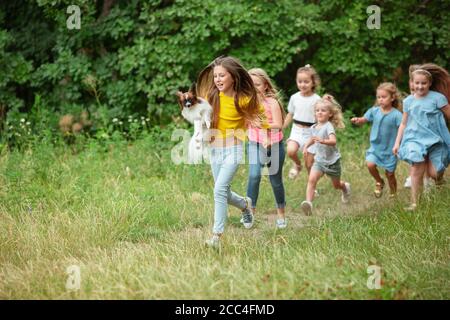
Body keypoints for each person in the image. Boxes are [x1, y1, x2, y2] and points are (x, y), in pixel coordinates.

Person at [196, 56, 267, 248]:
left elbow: (260, 115)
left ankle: (216, 236)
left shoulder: (242, 99)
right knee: (223, 192)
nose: (218, 79)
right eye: (215, 76)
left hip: (233, 150)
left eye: (222, 76)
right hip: (215, 150)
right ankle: (245, 205)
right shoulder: (212, 97)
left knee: (218, 190)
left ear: (233, 78)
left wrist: (264, 130)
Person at [393, 64, 450, 211]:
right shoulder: (408, 102)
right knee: (416, 168)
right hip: (415, 139)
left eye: (423, 83)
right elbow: (403, 124)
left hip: (436, 139)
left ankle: (439, 180)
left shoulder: (438, 98)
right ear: (412, 83)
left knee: (434, 173)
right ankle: (415, 203)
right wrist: (397, 142)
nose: (420, 86)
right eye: (416, 83)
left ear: (430, 83)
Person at [246, 68, 287, 229]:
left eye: (257, 84)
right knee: (254, 175)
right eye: (251, 84)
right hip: (255, 143)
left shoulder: (272, 103)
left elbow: (278, 124)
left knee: (275, 180)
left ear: (265, 86)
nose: (254, 87)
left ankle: (281, 214)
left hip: (275, 144)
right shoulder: (247, 102)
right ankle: (250, 213)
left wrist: (262, 124)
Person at [300, 95, 350, 215]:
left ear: (330, 114)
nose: (320, 113)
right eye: (317, 110)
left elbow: (333, 141)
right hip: (320, 161)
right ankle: (308, 204)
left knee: (336, 185)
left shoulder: (328, 126)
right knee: (312, 180)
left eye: (323, 110)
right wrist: (306, 147)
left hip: (332, 162)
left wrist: (323, 141)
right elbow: (313, 138)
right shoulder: (314, 127)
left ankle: (345, 187)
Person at [351, 82, 403, 198]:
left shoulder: (396, 115)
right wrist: (358, 120)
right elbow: (364, 119)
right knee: (370, 164)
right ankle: (379, 181)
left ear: (392, 98)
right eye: (378, 97)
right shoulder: (374, 111)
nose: (380, 100)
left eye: (384, 97)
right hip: (375, 147)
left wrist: (398, 144)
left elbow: (402, 129)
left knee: (390, 174)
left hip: (390, 150)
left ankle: (393, 194)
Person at [283, 64, 321, 180]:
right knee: (290, 151)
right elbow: (290, 113)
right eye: (300, 81)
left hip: (311, 133)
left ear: (313, 83)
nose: (302, 84)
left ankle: (312, 186)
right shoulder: (294, 97)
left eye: (306, 81)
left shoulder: (317, 99)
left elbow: (320, 118)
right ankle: (297, 165)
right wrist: (282, 127)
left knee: (309, 164)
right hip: (297, 131)